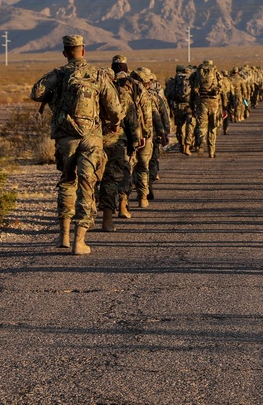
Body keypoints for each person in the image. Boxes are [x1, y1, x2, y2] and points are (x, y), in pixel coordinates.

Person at [30, 35, 122, 255]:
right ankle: (79, 240)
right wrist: (114, 124)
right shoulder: (98, 74)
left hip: (66, 137)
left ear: (65, 53)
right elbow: (115, 109)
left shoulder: (59, 74)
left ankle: (63, 235)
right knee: (87, 184)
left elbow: (36, 93)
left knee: (66, 182)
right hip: (91, 137)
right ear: (83, 50)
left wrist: (55, 95)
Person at [97, 55, 144, 229]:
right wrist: (134, 144)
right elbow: (132, 122)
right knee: (111, 179)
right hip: (115, 143)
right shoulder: (122, 94)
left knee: (89, 179)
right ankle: (107, 219)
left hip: (90, 141)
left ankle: (85, 217)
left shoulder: (90, 94)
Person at [130, 67, 164, 207]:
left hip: (127, 135)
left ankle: (123, 201)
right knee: (143, 166)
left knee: (128, 167)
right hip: (145, 136)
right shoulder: (148, 95)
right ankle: (143, 197)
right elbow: (154, 117)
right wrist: (160, 132)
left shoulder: (123, 93)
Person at [190, 60, 224, 158]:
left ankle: (201, 143)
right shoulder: (216, 72)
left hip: (201, 102)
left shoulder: (196, 73)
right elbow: (220, 88)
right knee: (212, 127)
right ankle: (212, 151)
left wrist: (192, 106)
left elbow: (192, 91)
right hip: (213, 102)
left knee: (201, 126)